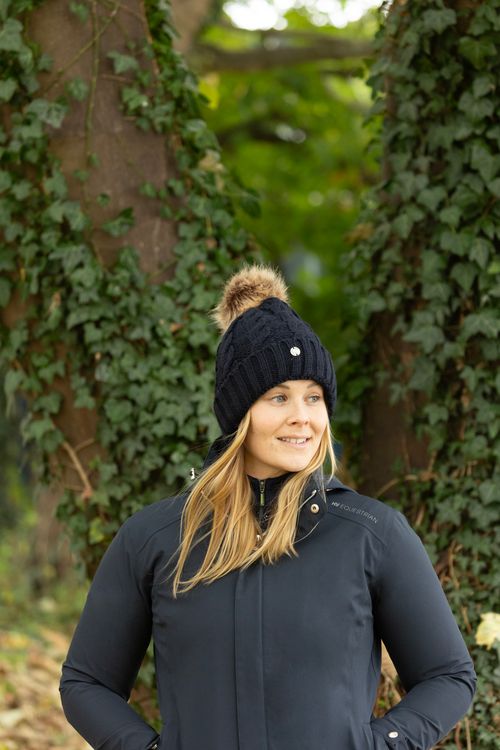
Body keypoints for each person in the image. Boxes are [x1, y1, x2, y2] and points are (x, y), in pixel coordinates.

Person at [59, 263, 476, 750]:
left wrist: (378, 744)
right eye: (279, 397)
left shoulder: (373, 534)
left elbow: (448, 676)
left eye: (314, 398)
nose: (303, 418)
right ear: (240, 414)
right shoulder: (157, 538)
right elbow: (86, 682)